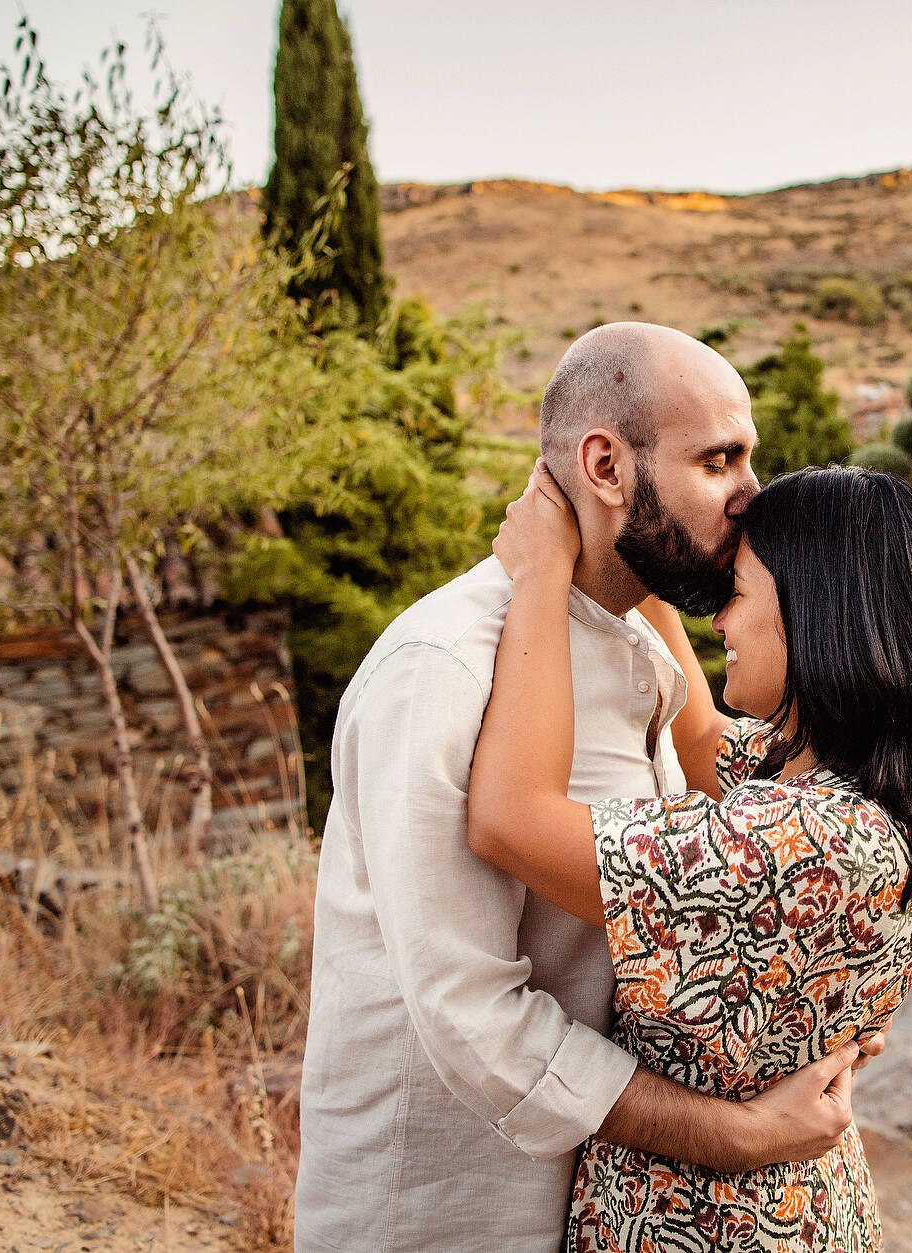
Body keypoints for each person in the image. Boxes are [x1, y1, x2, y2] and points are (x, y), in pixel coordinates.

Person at [295, 324, 880, 1253]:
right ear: (606, 466)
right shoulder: (443, 666)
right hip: (450, 1213)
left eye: (749, 458)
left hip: (603, 1209)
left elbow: (713, 826)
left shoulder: (644, 646)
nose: (751, 495)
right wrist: (737, 1134)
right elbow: (468, 1010)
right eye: (719, 460)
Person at [469, 461, 912, 1250]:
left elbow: (509, 820)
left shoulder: (808, 840)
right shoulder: (863, 786)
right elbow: (698, 741)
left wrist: (543, 570)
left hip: (710, 1224)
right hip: (799, 1205)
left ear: (817, 614)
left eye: (738, 592)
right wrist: (647, 540)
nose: (720, 618)